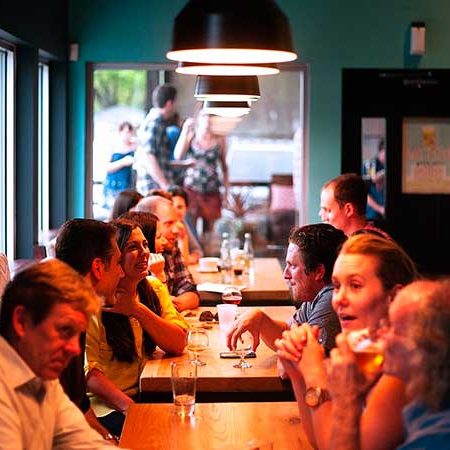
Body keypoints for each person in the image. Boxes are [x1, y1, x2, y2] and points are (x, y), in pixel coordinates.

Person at [275, 233, 418, 450]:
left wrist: (315, 374)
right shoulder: (364, 353)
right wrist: (296, 372)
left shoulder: (400, 371)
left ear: (394, 296)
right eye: (337, 286)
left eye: (355, 285)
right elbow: (323, 441)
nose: (339, 299)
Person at [85, 219, 188, 436]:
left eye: (145, 245)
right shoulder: (96, 299)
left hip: (148, 394)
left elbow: (178, 343)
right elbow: (90, 373)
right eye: (132, 247)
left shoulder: (153, 288)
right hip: (109, 406)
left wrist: (136, 309)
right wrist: (129, 407)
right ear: (115, 257)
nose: (144, 253)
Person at [0, 259, 112, 449]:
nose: (75, 349)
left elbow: (87, 444)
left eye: (78, 335)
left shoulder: (40, 377)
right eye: (65, 330)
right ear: (21, 321)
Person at [326, 278, 450, 450]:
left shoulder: (439, 437)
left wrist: (346, 402)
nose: (380, 334)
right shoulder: (425, 402)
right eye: (337, 286)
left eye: (392, 327)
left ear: (430, 344)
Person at [227, 224, 346, 355]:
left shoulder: (330, 298)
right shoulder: (315, 293)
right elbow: (289, 332)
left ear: (318, 271)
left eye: (293, 266)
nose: (285, 274)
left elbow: (301, 360)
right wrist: (260, 319)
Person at [55, 218, 124, 443]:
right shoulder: (57, 323)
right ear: (97, 267)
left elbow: (79, 405)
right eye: (118, 264)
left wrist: (109, 439)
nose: (122, 274)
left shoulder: (77, 311)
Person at [135, 195, 199, 311]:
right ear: (150, 224)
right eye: (169, 223)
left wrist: (172, 304)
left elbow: (190, 290)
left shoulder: (171, 247)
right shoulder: (135, 259)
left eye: (177, 222)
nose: (176, 230)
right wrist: (167, 303)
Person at [174, 111, 229, 233]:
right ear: (199, 118)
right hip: (192, 188)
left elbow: (224, 166)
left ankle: (206, 250)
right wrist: (185, 131)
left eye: (211, 116)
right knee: (189, 225)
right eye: (205, 116)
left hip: (212, 189)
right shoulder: (192, 135)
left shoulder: (220, 138)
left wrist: (226, 191)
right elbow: (178, 155)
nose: (208, 119)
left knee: (209, 229)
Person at [135, 84, 177, 193]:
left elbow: (159, 158)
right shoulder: (154, 123)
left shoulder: (156, 122)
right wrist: (165, 184)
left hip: (155, 185)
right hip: (153, 187)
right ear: (169, 103)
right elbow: (148, 156)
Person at [319, 173, 390, 238]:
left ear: (349, 210)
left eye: (327, 210)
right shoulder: (346, 240)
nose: (320, 214)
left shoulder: (372, 244)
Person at [167, 185, 203, 265]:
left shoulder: (182, 223)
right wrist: (185, 259)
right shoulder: (163, 227)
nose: (176, 211)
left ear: (186, 208)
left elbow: (197, 251)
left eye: (179, 207)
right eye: (172, 206)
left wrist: (189, 259)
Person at [104, 121, 137, 208]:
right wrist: (123, 162)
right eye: (126, 132)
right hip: (114, 184)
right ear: (120, 132)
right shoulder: (113, 146)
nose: (128, 135)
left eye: (130, 132)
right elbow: (107, 167)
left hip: (129, 184)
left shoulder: (135, 146)